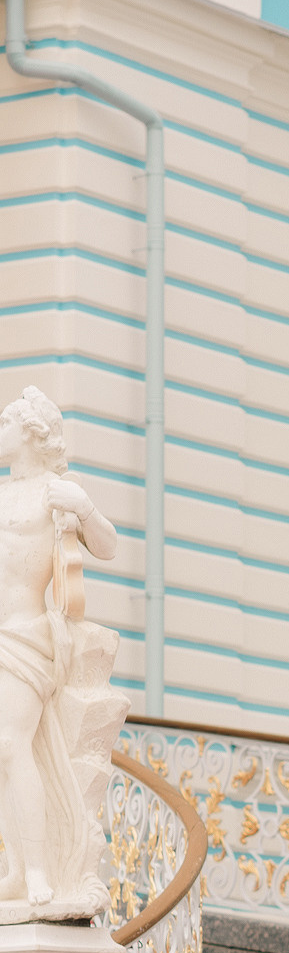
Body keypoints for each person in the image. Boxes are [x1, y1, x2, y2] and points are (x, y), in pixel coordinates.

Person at [0, 385, 120, 908]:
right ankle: (15, 870)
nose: (0, 431)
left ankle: (40, 871)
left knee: (10, 744)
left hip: (26, 636)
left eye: (7, 422)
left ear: (31, 433)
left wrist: (86, 508)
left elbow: (108, 546)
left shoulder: (56, 491)